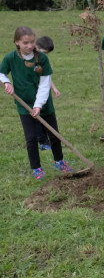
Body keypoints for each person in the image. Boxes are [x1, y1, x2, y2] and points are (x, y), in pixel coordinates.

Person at [0, 26, 72, 180]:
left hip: (44, 104)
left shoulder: (42, 59)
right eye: (25, 43)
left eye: (32, 42)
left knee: (54, 134)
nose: (30, 46)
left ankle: (59, 161)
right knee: (31, 138)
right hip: (24, 106)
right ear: (17, 42)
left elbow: (45, 84)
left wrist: (38, 105)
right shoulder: (10, 58)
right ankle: (36, 167)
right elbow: (1, 72)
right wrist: (6, 82)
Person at [34, 36, 60, 151]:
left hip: (44, 92)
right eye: (44, 52)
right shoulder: (31, 60)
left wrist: (53, 88)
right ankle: (42, 141)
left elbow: (46, 77)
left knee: (46, 115)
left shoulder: (43, 59)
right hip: (34, 93)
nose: (45, 55)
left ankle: (48, 139)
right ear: (36, 47)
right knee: (37, 117)